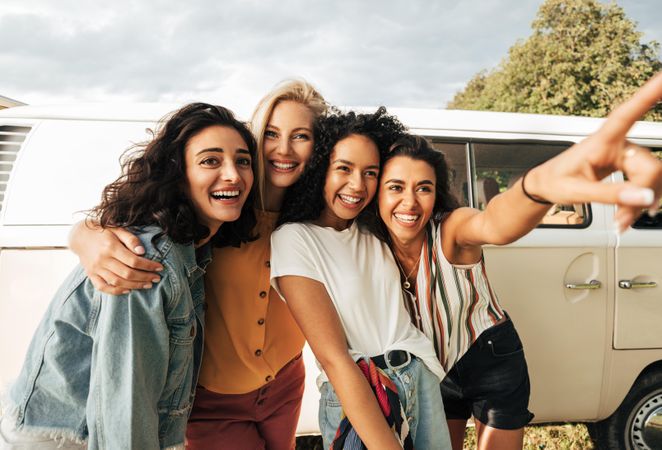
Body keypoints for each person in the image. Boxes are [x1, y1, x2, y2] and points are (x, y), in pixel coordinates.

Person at [364, 71, 662, 450]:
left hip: (491, 356)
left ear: (437, 195)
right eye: (395, 187)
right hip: (433, 366)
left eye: (424, 188)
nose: (409, 202)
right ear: (376, 194)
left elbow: (495, 221)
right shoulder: (367, 245)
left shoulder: (451, 230)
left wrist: (537, 187)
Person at [67, 79, 328, 449]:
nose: (283, 148)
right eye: (271, 133)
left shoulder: (318, 217)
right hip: (213, 402)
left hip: (286, 385)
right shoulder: (222, 207)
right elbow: (140, 225)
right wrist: (84, 235)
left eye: (300, 135)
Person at [0, 103, 257, 450]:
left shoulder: (196, 248)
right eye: (211, 160)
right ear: (179, 175)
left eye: (242, 161)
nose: (233, 175)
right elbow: (123, 404)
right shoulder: (146, 261)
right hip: (63, 437)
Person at [271, 108, 452, 449]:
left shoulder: (374, 230)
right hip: (358, 391)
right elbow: (334, 358)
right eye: (344, 168)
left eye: (371, 172)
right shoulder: (294, 239)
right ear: (319, 168)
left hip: (419, 380)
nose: (357, 185)